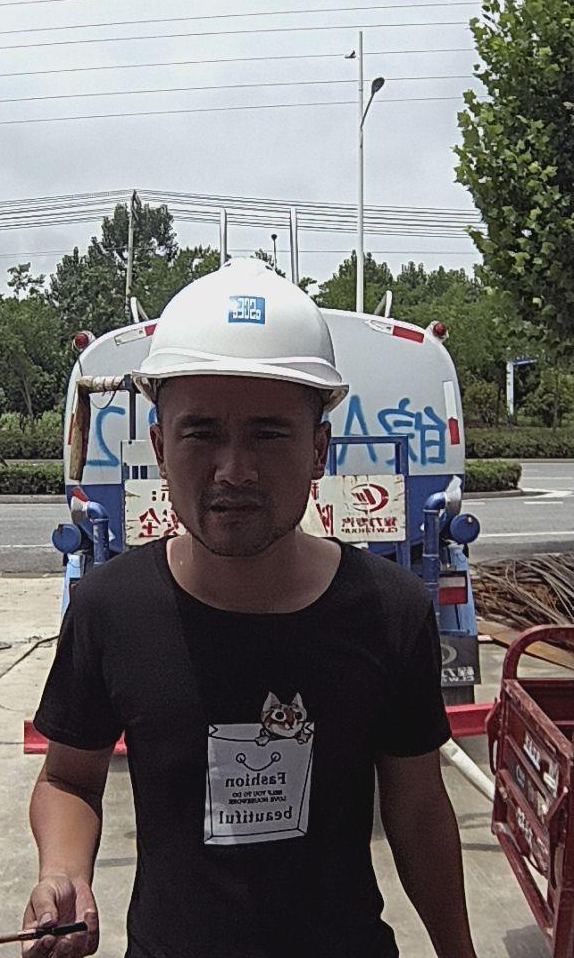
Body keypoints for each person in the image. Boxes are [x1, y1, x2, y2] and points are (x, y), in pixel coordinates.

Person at [25, 259, 477, 958]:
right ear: (160, 448)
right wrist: (63, 873)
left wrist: (459, 951)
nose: (234, 470)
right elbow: (68, 778)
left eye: (269, 433)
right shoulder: (111, 610)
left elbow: (418, 807)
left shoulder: (389, 612)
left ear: (319, 449)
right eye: (201, 432)